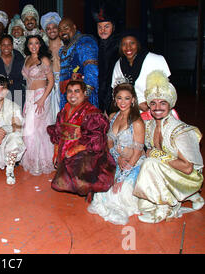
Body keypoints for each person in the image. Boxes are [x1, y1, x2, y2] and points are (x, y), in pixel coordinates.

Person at [133, 71, 203, 223]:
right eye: (153, 103)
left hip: (188, 177)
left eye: (162, 103)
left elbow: (187, 168)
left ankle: (163, 208)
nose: (157, 107)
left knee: (150, 163)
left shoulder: (180, 131)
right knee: (140, 203)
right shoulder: (150, 125)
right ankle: (190, 196)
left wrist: (157, 155)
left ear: (170, 105)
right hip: (171, 172)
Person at [47, 80, 116, 202]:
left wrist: (74, 151)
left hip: (86, 155)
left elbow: (96, 141)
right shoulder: (63, 111)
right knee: (59, 182)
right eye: (70, 91)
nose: (72, 95)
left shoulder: (91, 113)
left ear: (84, 93)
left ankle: (91, 187)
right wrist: (56, 153)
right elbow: (57, 134)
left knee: (79, 175)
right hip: (67, 153)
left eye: (77, 91)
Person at [87, 83, 145, 225]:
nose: (123, 102)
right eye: (119, 98)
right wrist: (118, 158)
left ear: (133, 100)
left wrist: (122, 177)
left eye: (127, 98)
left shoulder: (137, 122)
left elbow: (137, 153)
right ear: (115, 99)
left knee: (121, 192)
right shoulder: (113, 116)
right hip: (117, 160)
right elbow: (110, 143)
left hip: (134, 163)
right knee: (101, 189)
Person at [111, 31, 171, 112]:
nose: (128, 47)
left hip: (154, 111)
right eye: (124, 44)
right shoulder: (119, 64)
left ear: (138, 44)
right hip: (128, 110)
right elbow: (116, 92)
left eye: (132, 43)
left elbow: (167, 91)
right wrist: (136, 104)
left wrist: (152, 103)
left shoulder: (156, 59)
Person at [20, 35, 55, 176]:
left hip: (41, 96)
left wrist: (42, 99)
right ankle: (32, 160)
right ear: (27, 45)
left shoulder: (44, 60)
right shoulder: (27, 58)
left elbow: (51, 81)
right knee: (29, 129)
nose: (33, 46)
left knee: (34, 129)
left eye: (36, 43)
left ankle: (39, 164)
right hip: (29, 97)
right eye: (30, 43)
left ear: (40, 45)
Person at [58, 17, 99, 110]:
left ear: (74, 27)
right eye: (60, 30)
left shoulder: (84, 42)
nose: (62, 32)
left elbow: (92, 70)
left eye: (66, 28)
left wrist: (86, 95)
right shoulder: (65, 48)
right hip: (67, 96)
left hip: (81, 97)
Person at [0, 34, 26, 107]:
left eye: (9, 44)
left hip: (17, 91)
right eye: (3, 45)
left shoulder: (19, 57)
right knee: (1, 116)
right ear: (0, 46)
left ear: (12, 46)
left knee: (17, 115)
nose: (6, 47)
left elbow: (24, 75)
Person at [93, 5, 120, 114]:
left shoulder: (119, 46)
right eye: (100, 27)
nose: (102, 30)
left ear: (113, 27)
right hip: (101, 96)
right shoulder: (97, 45)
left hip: (114, 96)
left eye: (106, 26)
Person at [41, 12, 63, 121]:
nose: (52, 30)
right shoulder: (44, 49)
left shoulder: (66, 46)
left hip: (64, 84)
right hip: (50, 87)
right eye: (48, 28)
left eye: (54, 27)